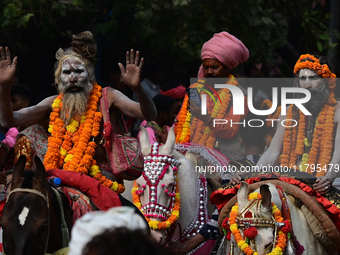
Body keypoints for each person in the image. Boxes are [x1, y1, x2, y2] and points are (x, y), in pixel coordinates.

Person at [0, 31, 156, 197]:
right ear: (59, 78)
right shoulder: (53, 104)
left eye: (78, 71)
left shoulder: (107, 97)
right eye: (66, 73)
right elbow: (8, 121)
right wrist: (4, 86)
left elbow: (149, 114)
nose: (72, 78)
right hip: (58, 182)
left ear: (89, 74)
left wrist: (137, 89)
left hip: (100, 181)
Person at [167, 113, 268, 255]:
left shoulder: (235, 169)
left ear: (240, 140)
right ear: (266, 139)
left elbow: (221, 213)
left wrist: (187, 246)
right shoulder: (278, 166)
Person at [256, 53, 338, 195]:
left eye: (313, 78)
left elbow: (339, 153)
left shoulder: (338, 111)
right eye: (303, 79)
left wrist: (328, 177)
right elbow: (273, 153)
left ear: (325, 81)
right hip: (293, 179)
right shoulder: (288, 112)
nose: (307, 85)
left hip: (328, 180)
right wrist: (252, 175)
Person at [175, 31, 250, 161]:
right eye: (206, 67)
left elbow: (231, 130)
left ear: (227, 67)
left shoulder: (240, 94)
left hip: (224, 162)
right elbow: (180, 124)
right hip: (189, 158)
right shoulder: (195, 90)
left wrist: (205, 117)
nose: (209, 72)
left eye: (215, 67)